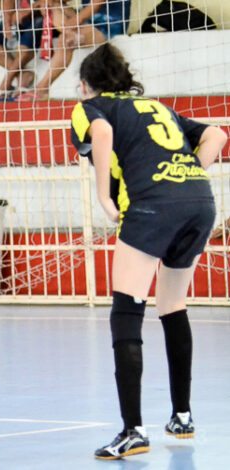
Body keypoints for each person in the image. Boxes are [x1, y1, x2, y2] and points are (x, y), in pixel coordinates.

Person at [70, 43, 227, 460]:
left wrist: (104, 198)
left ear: (85, 84)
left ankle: (133, 430)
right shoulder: (156, 107)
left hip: (150, 207)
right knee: (173, 304)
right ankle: (182, 416)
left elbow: (102, 134)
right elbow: (217, 134)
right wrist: (185, 176)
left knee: (127, 309)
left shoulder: (89, 108)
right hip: (199, 202)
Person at [19, 0, 131, 101]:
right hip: (89, 21)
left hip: (109, 23)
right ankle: (68, 32)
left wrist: (73, 23)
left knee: (66, 39)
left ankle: (42, 88)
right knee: (53, 4)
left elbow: (97, 4)